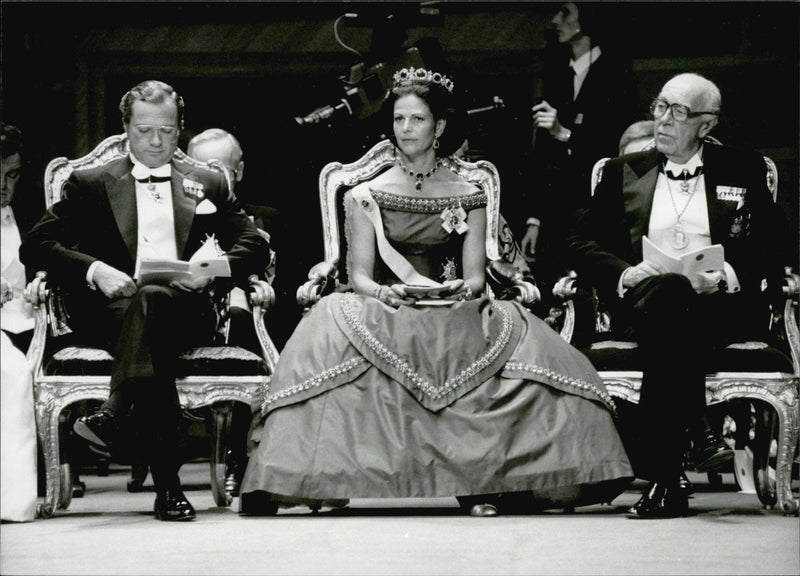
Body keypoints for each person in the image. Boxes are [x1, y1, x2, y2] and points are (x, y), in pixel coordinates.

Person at [239, 66, 633, 517]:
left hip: (451, 305)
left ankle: (489, 480)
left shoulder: (469, 192)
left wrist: (454, 290)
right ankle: (329, 478)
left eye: (417, 120)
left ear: (439, 127)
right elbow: (361, 275)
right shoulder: (365, 193)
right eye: (399, 119)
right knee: (329, 322)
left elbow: (475, 279)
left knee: (519, 337)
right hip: (383, 304)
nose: (406, 129)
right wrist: (386, 295)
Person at [20, 80, 270, 521]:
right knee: (149, 312)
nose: (156, 142)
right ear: (126, 129)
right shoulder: (91, 182)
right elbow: (38, 245)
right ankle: (168, 489)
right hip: (110, 312)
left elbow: (253, 244)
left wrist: (206, 271)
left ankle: (114, 411)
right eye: (144, 131)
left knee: (154, 300)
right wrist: (95, 269)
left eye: (167, 132)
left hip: (188, 311)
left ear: (179, 130)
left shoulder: (208, 181)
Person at [567, 73, 786, 518]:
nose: (663, 120)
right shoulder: (620, 171)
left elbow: (775, 244)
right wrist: (627, 272)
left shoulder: (744, 169)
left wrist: (724, 274)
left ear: (706, 125)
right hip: (642, 305)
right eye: (661, 106)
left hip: (720, 310)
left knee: (675, 300)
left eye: (679, 112)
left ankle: (666, 476)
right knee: (668, 291)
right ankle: (698, 433)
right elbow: (579, 242)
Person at [519, 2, 636, 291]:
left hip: (596, 211)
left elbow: (617, 146)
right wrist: (534, 220)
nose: (555, 20)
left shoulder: (616, 74)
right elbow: (542, 154)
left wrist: (566, 134)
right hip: (556, 213)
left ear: (586, 18)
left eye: (565, 12)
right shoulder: (556, 73)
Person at [186, 128, 268, 497]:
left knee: (242, 319)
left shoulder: (261, 220)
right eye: (199, 168)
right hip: (187, 313)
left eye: (219, 168)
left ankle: (240, 457)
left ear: (239, 171)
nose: (211, 177)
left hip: (247, 317)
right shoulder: (179, 216)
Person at [1, 124, 37, 523]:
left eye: (11, 175)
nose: (3, 186)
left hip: (27, 323)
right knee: (9, 372)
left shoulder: (26, 212)